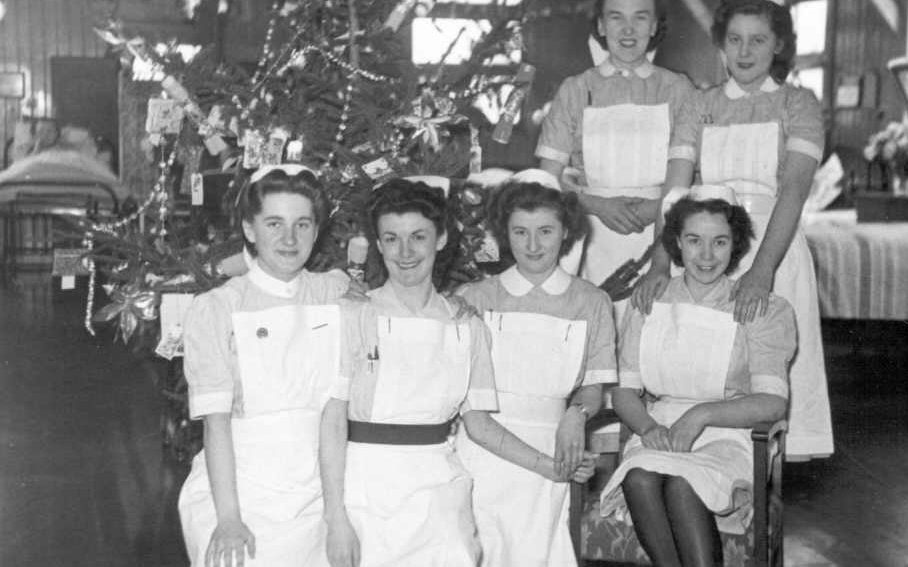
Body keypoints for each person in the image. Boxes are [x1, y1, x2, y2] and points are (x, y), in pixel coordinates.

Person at [321, 178, 589, 567]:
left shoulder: (466, 325)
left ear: (441, 239)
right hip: (367, 493)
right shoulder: (353, 315)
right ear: (378, 245)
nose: (406, 252)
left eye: (418, 237)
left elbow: (479, 425)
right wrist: (335, 519)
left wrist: (549, 467)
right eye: (392, 239)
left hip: (440, 492)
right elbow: (331, 422)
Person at [632, 0, 833, 459]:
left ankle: (763, 490)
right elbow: (676, 193)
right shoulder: (699, 105)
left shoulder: (797, 105)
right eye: (735, 39)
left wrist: (762, 270)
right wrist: (661, 264)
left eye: (758, 40)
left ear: (778, 44)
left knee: (767, 368)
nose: (744, 51)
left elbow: (793, 191)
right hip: (707, 244)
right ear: (720, 43)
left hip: (773, 247)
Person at [601, 187, 795, 566]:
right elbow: (625, 394)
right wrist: (646, 427)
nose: (706, 256)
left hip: (729, 437)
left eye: (719, 242)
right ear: (676, 242)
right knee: (639, 477)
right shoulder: (649, 300)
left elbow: (772, 403)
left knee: (681, 486)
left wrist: (701, 414)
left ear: (736, 244)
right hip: (657, 430)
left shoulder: (759, 306)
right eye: (694, 241)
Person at [178, 164, 351, 567]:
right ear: (250, 230)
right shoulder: (217, 309)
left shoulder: (334, 293)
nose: (289, 239)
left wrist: (336, 514)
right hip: (237, 491)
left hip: (314, 492)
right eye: (274, 223)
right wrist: (229, 519)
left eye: (302, 224)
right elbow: (215, 423)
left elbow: (334, 414)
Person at [455, 169, 615, 567]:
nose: (532, 244)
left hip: (552, 448)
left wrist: (576, 416)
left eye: (545, 230)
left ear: (565, 232)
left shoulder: (591, 301)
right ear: (504, 233)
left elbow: (592, 386)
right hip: (483, 449)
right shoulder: (475, 297)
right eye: (520, 231)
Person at [535, 0, 694, 302]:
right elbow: (548, 180)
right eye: (616, 17)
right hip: (591, 234)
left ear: (654, 25)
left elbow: (683, 178)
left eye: (640, 17)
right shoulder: (575, 90)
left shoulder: (677, 89)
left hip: (663, 235)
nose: (628, 29)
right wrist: (598, 205)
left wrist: (654, 211)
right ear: (601, 25)